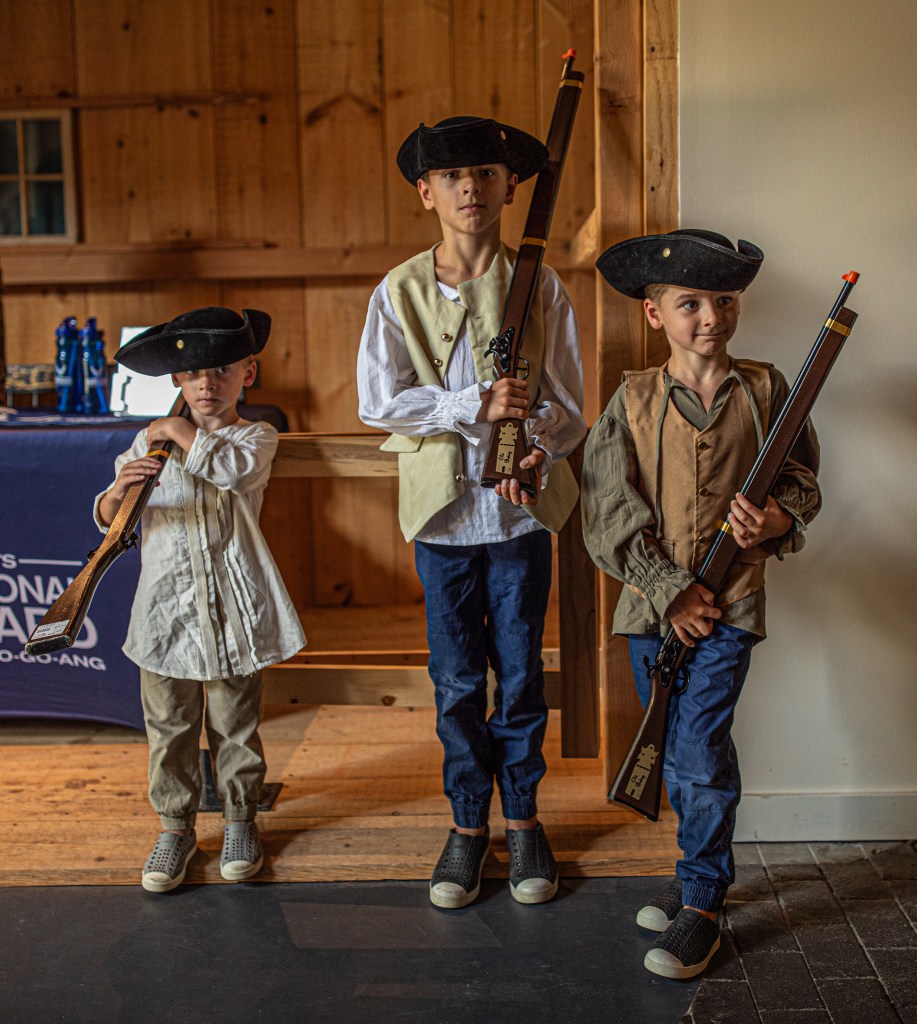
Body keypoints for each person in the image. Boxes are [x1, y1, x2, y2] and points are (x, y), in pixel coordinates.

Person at [357, 116, 586, 908]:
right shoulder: (397, 289)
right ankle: (465, 826)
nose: (469, 188)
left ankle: (521, 821)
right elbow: (378, 400)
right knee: (455, 680)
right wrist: (469, 404)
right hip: (442, 519)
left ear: (509, 186)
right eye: (452, 177)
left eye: (485, 173)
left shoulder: (540, 285)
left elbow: (568, 405)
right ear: (426, 192)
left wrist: (538, 446)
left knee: (519, 678)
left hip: (519, 519)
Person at [581, 229, 821, 978]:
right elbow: (608, 515)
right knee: (674, 747)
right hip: (650, 613)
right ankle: (696, 879)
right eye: (690, 303)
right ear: (654, 313)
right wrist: (669, 591)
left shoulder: (768, 389)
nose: (711, 317)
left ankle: (704, 903)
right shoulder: (631, 399)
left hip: (732, 605)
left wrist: (777, 520)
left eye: (724, 300)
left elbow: (801, 480)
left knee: (698, 750)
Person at [95, 306, 305, 893]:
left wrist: (177, 430)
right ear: (177, 381)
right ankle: (175, 828)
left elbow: (233, 473)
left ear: (248, 374)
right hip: (165, 611)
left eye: (221, 371)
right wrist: (119, 491)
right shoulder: (149, 442)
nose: (206, 384)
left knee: (236, 724)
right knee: (169, 727)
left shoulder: (255, 436)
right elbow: (110, 518)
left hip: (234, 609)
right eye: (192, 375)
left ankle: (239, 820)